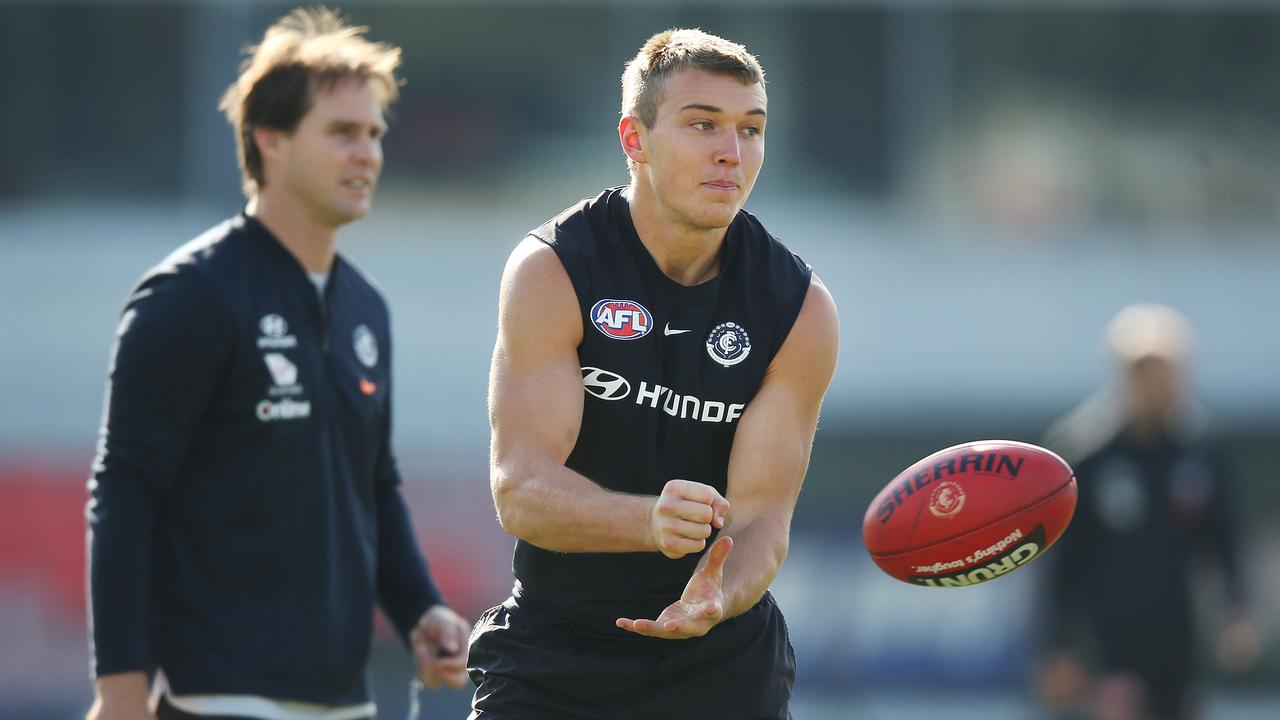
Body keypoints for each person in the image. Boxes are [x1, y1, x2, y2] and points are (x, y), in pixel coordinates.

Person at [84, 8, 470, 720]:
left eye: (376, 134)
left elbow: (374, 487)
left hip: (341, 701)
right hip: (217, 697)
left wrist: (421, 610)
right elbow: (125, 495)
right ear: (270, 140)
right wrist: (120, 689)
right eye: (342, 133)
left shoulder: (365, 308)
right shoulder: (190, 297)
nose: (368, 154)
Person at [469, 28, 839, 720]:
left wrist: (717, 596)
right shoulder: (554, 268)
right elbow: (519, 489)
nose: (732, 152)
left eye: (750, 129)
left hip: (720, 663)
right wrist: (648, 521)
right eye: (703, 124)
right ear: (634, 140)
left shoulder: (799, 308)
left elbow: (763, 520)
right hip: (555, 655)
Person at [1037, 304, 1260, 720]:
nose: (1155, 383)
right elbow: (1061, 563)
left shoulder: (1203, 453)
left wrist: (1238, 609)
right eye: (1142, 370)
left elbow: (1226, 539)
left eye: (1165, 369)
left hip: (1179, 636)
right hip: (1108, 641)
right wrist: (1058, 648)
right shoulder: (1086, 455)